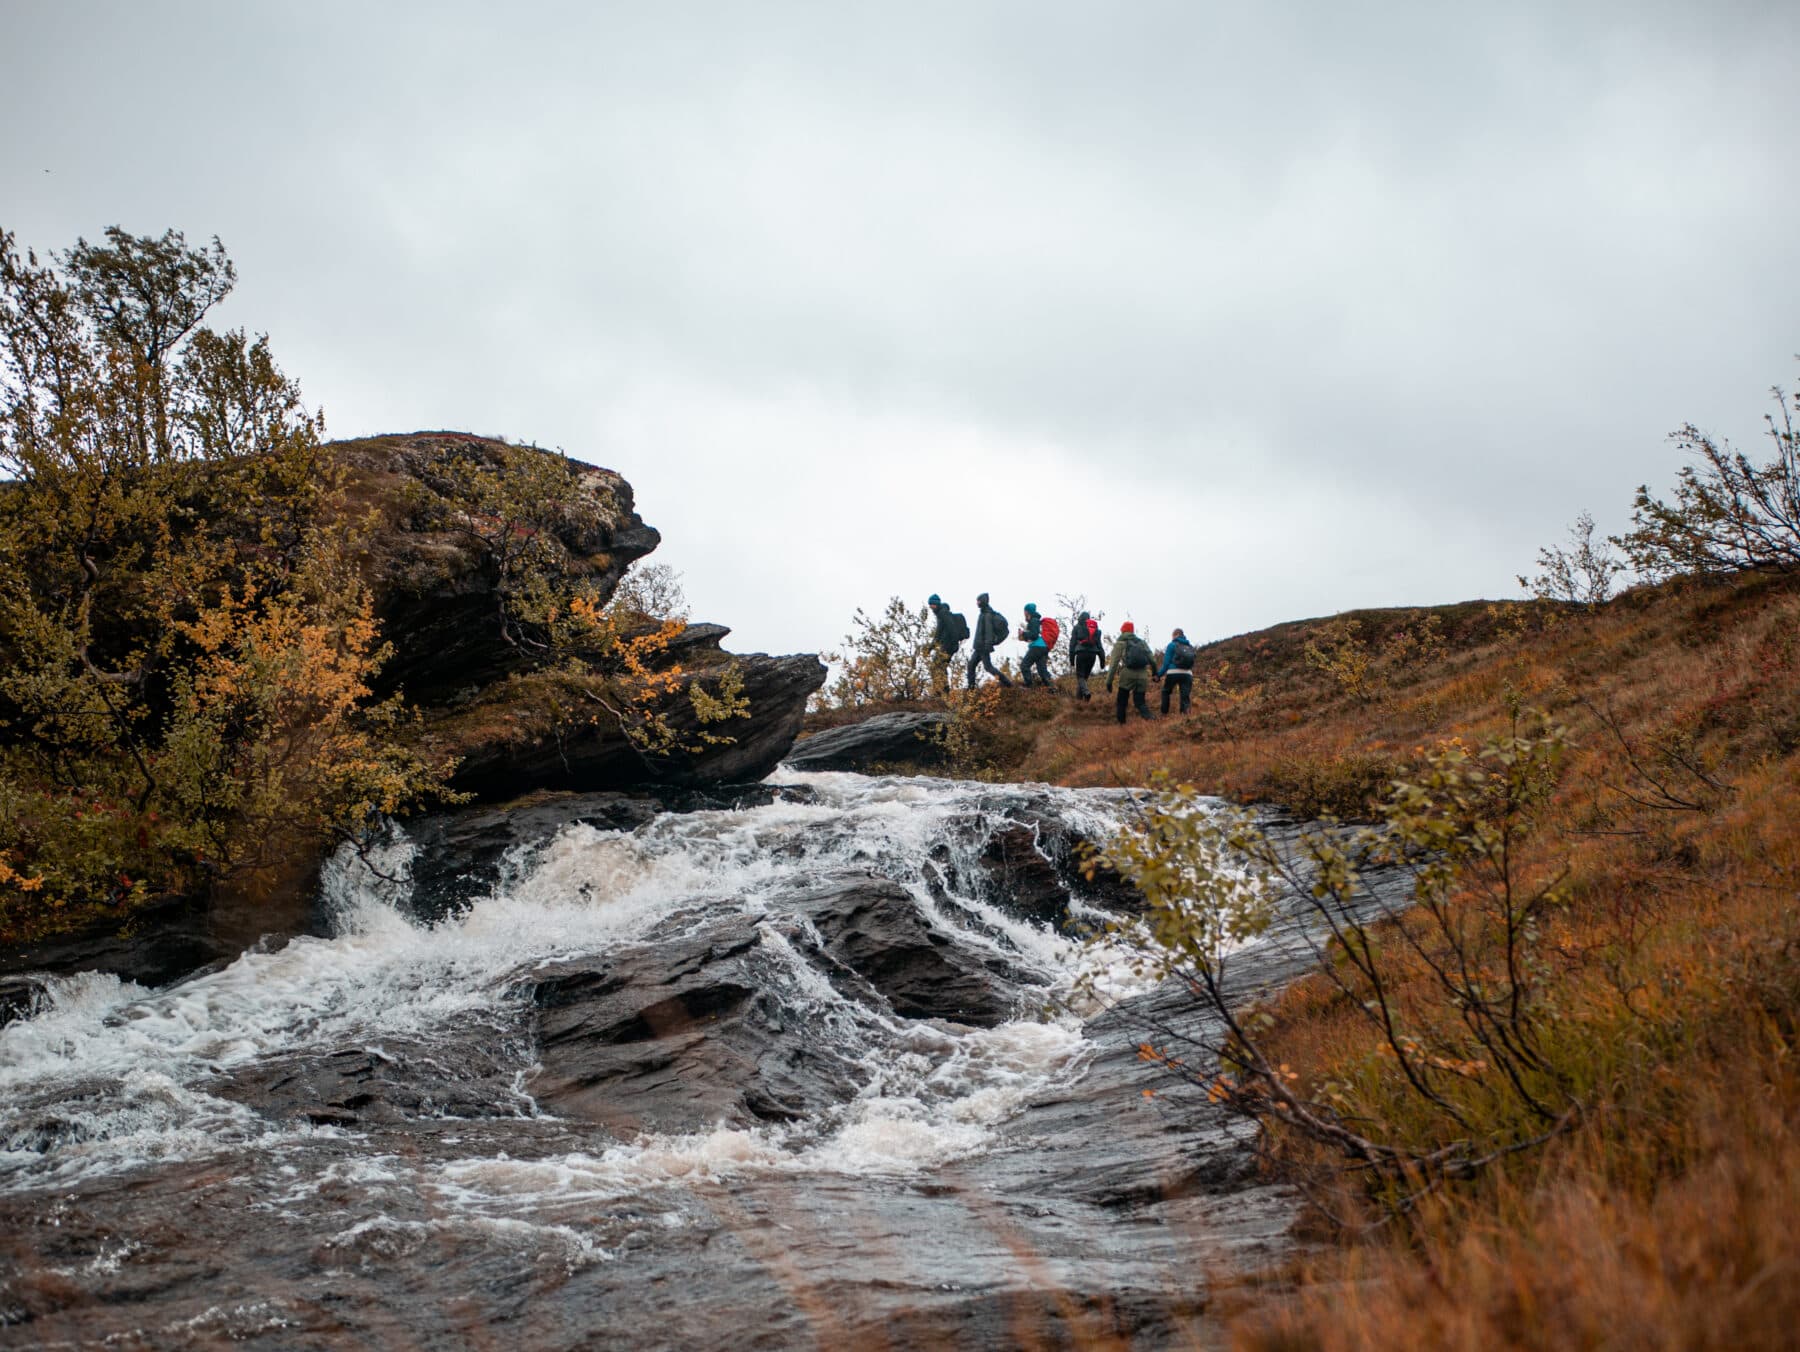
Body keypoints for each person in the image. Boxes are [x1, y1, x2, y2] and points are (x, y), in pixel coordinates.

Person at [1106, 621, 1158, 723]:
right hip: (1143, 675)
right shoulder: (1142, 642)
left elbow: (1113, 665)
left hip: (1127, 675)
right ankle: (1152, 720)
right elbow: (1152, 660)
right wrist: (1155, 673)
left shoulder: (1120, 643)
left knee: (1122, 702)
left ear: (1123, 631)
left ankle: (1122, 727)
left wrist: (1109, 681)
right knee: (1140, 702)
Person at [966, 592, 1012, 688]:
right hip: (979, 646)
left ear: (982, 601)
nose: (977, 603)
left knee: (988, 667)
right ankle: (971, 688)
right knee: (971, 665)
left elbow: (988, 631)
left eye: (978, 601)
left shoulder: (986, 615)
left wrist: (987, 645)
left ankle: (1008, 683)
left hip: (983, 647)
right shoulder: (983, 613)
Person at [927, 594, 967, 696]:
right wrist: (930, 648)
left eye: (931, 604)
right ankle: (943, 691)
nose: (930, 606)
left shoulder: (943, 614)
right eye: (929, 604)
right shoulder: (940, 614)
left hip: (948, 646)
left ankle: (942, 692)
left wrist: (953, 644)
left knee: (936, 666)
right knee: (939, 666)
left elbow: (952, 629)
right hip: (946, 645)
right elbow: (938, 635)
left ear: (936, 604)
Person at [1159, 627, 1198, 715]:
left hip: (1173, 672)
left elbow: (1166, 664)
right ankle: (1185, 716)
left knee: (1166, 692)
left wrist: (1158, 675)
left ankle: (1164, 714)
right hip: (1187, 673)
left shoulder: (1171, 645)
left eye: (1172, 635)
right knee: (1185, 695)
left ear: (1176, 635)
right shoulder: (1189, 646)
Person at [1018, 603, 1057, 689]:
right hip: (1043, 647)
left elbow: (1034, 635)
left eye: (1025, 611)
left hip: (1038, 647)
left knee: (1024, 665)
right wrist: (1024, 637)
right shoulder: (1035, 621)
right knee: (1042, 670)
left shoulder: (1034, 620)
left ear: (1028, 611)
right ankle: (1052, 688)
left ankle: (1029, 687)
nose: (1024, 613)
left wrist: (1023, 633)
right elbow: (1033, 636)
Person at [1069, 611, 1105, 701]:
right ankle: (1080, 702)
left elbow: (1072, 644)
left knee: (1080, 676)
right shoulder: (1096, 630)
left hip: (1081, 653)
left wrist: (1072, 659)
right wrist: (1102, 661)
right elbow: (1099, 646)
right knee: (1084, 678)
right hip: (1093, 654)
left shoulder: (1077, 628)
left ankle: (1086, 692)